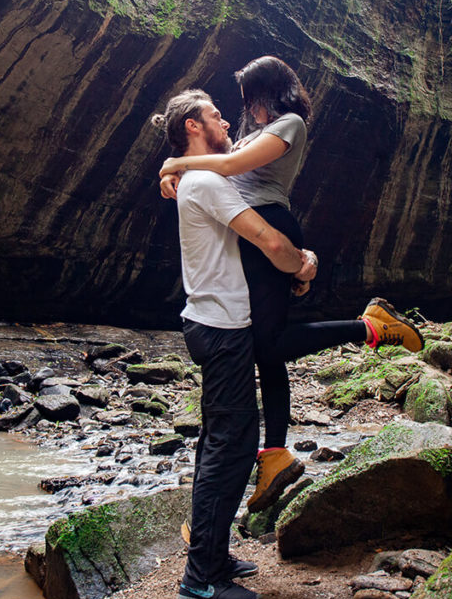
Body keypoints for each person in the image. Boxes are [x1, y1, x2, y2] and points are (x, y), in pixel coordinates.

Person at [157, 62, 424, 513]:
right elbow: (218, 167)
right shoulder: (249, 134)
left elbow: (231, 164)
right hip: (252, 232)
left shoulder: (289, 124)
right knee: (267, 347)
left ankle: (369, 328)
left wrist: (175, 162)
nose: (245, 110)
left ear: (272, 92)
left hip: (270, 224)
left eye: (250, 99)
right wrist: (171, 175)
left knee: (270, 343)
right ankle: (275, 454)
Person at [152, 89, 317, 599]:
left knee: (221, 444)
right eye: (215, 115)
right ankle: (201, 581)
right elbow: (268, 240)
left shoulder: (199, 178)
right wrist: (304, 264)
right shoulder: (206, 181)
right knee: (229, 447)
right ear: (194, 128)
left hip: (216, 325)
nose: (227, 121)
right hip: (221, 330)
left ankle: (214, 557)